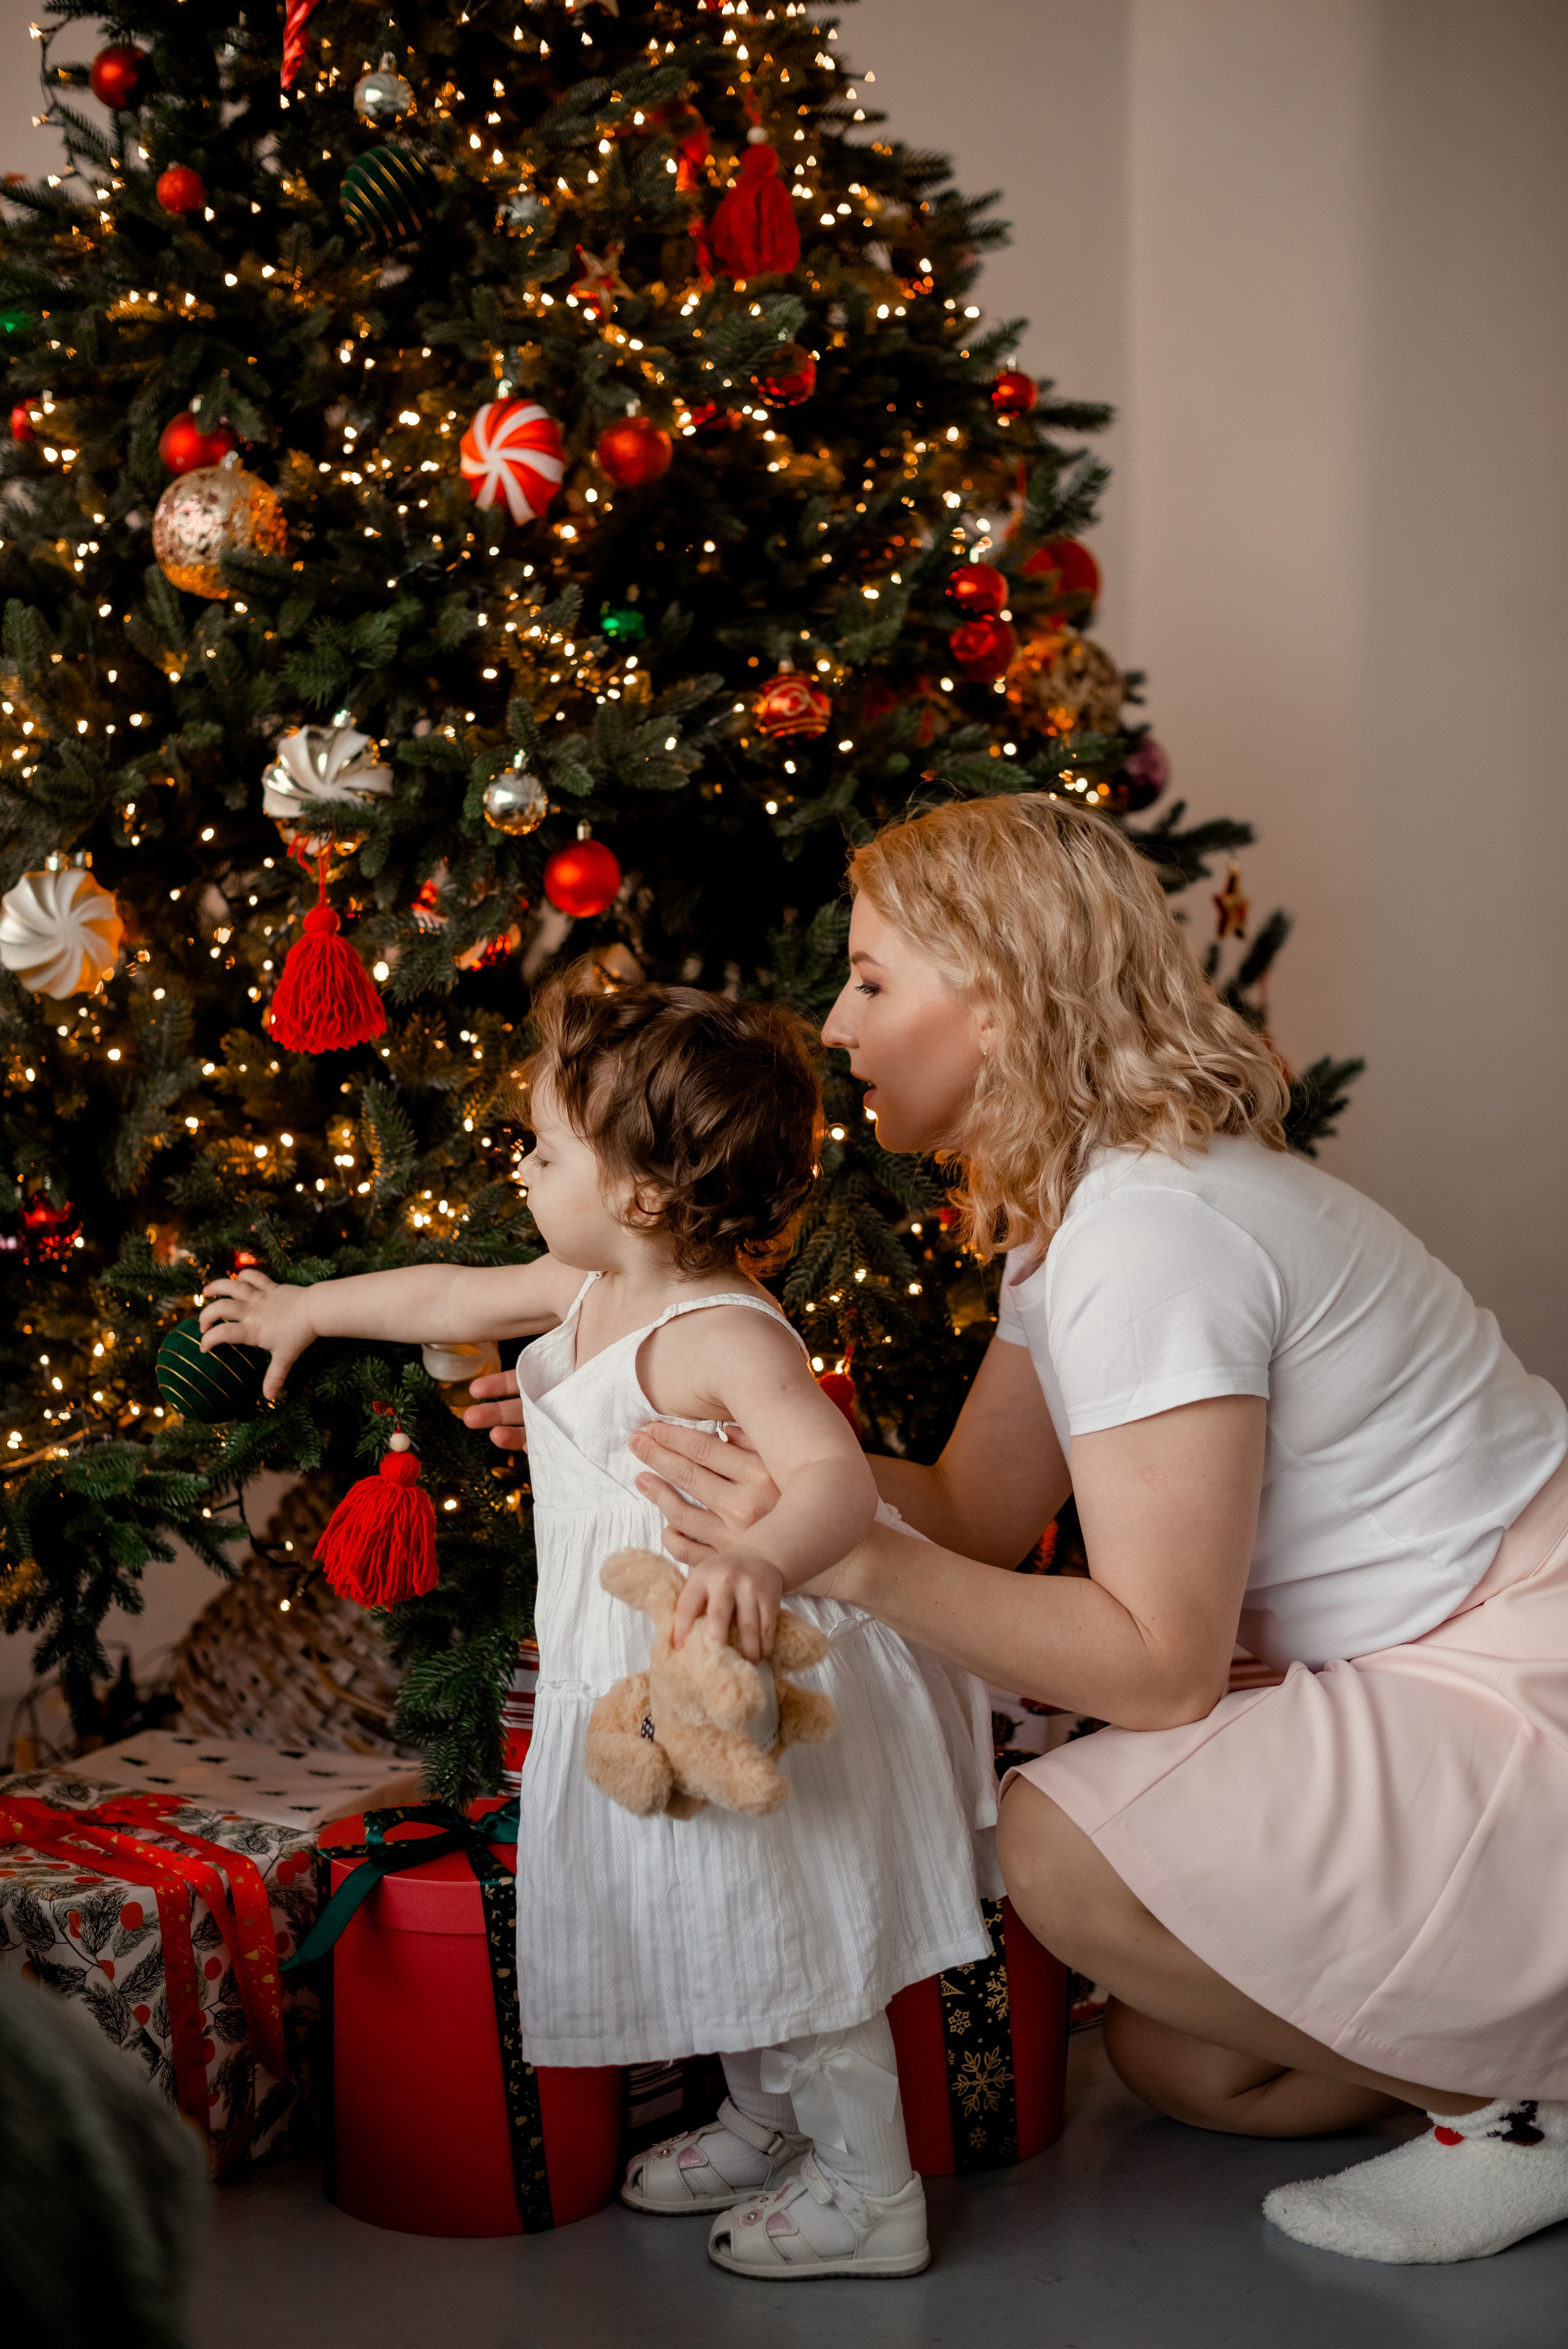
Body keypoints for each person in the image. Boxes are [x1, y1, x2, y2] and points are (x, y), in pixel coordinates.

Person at [503, 795, 1568, 2270]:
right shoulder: (1076, 1217)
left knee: (1061, 1851)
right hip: (1422, 1668)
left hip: (1513, 1681)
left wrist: (842, 1552)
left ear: (994, 1004)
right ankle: (1506, 2046)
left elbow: (1153, 1669)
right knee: (1186, 2058)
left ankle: (1529, 2111)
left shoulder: (1151, 1234)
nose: (835, 1017)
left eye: (872, 979)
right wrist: (658, 1437)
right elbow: (972, 1511)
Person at [200, 970, 998, 2283]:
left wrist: (754, 1555)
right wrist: (303, 1309)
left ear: (634, 1191)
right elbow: (450, 1298)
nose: (519, 1166)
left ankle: (869, 2188)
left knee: (788, 1935)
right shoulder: (580, 1289)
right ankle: (764, 2118)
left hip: (732, 1683)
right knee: (714, 1911)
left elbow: (836, 1476)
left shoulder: (717, 1331)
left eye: (543, 1147)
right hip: (629, 1675)